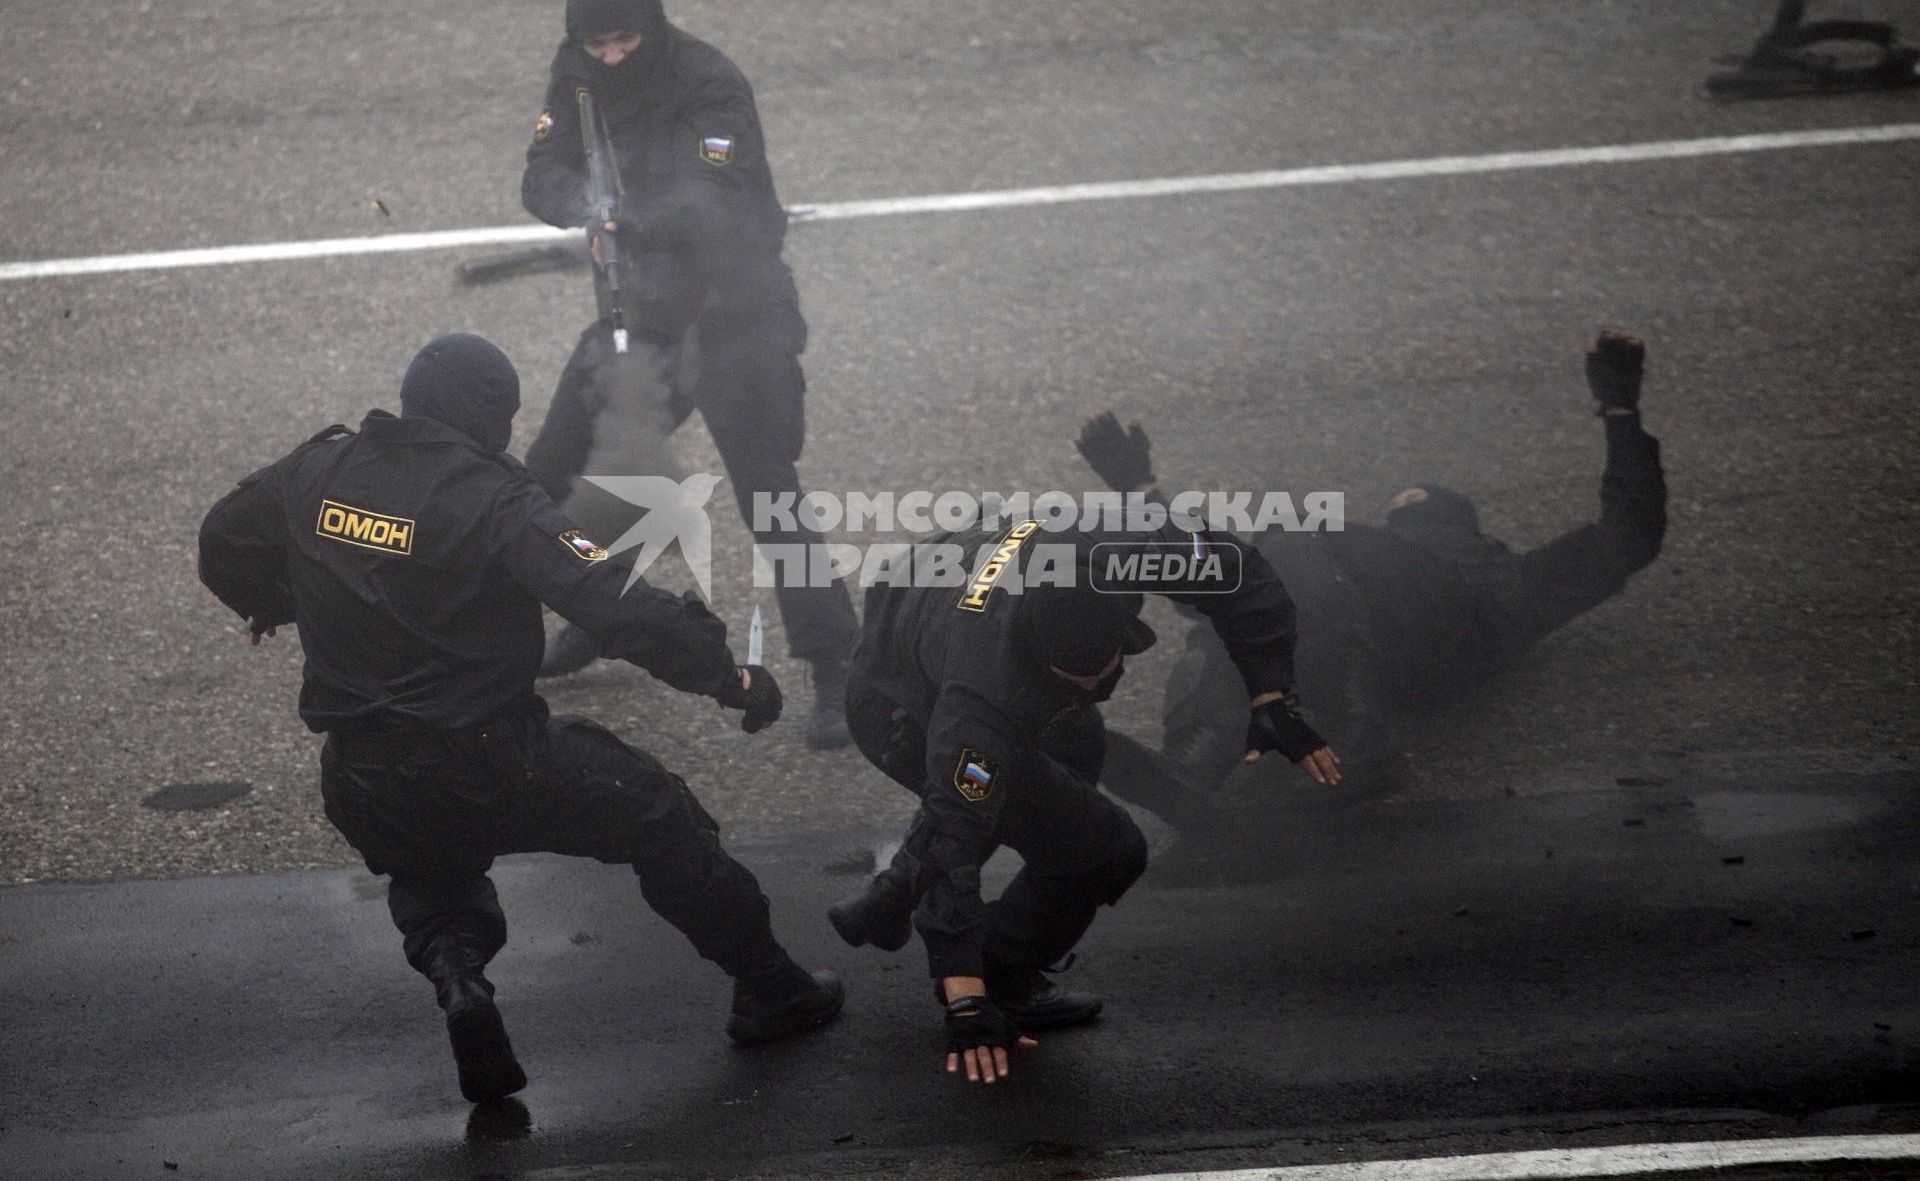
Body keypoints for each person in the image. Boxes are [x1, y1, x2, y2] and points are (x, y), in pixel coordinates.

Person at [197, 333, 844, 1105]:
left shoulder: (315, 470)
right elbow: (614, 604)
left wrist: (279, 601)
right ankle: (771, 986)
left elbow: (221, 540)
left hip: (363, 778)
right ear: (488, 415)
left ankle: (461, 982)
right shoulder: (496, 499)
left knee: (432, 867)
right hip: (489, 761)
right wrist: (729, 678)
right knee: (659, 812)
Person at [826, 513, 1338, 1086]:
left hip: (933, 609)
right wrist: (965, 997)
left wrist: (1272, 695)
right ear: (1040, 662)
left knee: (1076, 752)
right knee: (1103, 847)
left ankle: (893, 892)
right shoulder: (978, 704)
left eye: (1104, 674)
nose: (1096, 691)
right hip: (896, 705)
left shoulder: (1124, 550)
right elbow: (956, 828)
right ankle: (1002, 971)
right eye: (1074, 683)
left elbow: (1237, 569)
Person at [1076, 333, 1667, 822]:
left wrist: (1620, 410)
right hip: (1356, 648)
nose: (1405, 500)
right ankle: (1197, 760)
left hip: (1446, 633)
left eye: (1420, 501)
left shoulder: (1507, 575)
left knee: (1280, 547)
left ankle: (1352, 740)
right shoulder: (1350, 570)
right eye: (1400, 504)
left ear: (1461, 524)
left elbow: (1632, 532)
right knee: (1237, 605)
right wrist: (1139, 491)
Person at [520, 0, 860, 750]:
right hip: (644, 310)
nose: (610, 59)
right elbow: (542, 172)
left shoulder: (710, 82)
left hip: (735, 312)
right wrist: (585, 202)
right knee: (556, 469)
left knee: (768, 493)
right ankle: (600, 608)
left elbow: (720, 200)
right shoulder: (574, 75)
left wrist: (635, 219)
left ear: (653, 26)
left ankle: (838, 667)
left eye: (624, 41)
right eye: (597, 45)